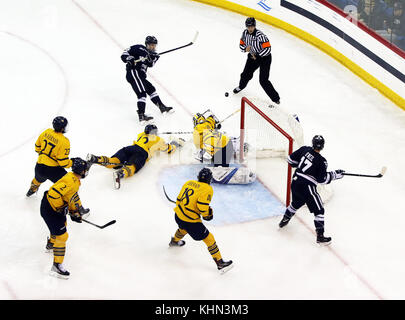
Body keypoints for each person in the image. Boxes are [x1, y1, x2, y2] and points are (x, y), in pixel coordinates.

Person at [278, 135, 345, 245]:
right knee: (319, 210)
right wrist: (335, 175)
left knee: (296, 203)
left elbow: (290, 160)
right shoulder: (322, 161)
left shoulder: (304, 149)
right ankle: (320, 237)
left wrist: (300, 166)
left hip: (295, 182)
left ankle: (284, 221)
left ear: (312, 143)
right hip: (307, 187)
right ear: (322, 146)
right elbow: (322, 179)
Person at [169, 168, 233, 274]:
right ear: (209, 179)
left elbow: (179, 199)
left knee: (183, 228)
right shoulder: (207, 189)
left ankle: (174, 241)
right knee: (209, 239)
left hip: (178, 215)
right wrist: (208, 214)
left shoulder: (188, 183)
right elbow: (202, 208)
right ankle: (220, 263)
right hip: (191, 221)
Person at [87, 124, 184, 189]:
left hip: (131, 148)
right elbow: (169, 149)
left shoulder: (141, 135)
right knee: (132, 166)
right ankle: (121, 173)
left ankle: (96, 159)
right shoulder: (158, 139)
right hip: (142, 153)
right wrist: (176, 143)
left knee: (114, 160)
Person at [40, 157, 90, 279]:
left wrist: (75, 212)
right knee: (62, 236)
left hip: (52, 207)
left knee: (61, 228)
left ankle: (51, 244)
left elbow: (71, 197)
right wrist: (60, 208)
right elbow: (53, 194)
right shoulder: (71, 180)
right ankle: (56, 266)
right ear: (82, 171)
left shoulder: (73, 179)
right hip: (50, 208)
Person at [121, 36, 173, 123]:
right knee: (142, 94)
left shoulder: (155, 55)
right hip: (134, 72)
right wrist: (129, 58)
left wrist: (150, 58)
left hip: (141, 76)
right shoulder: (139, 48)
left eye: (154, 45)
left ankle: (161, 107)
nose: (153, 47)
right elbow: (125, 53)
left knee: (151, 89)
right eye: (151, 45)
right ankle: (141, 115)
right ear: (147, 44)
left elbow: (150, 64)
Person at [233, 17, 280, 105]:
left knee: (263, 80)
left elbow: (268, 49)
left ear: (254, 26)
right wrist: (245, 49)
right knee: (245, 74)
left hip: (265, 58)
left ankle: (275, 99)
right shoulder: (244, 33)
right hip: (252, 56)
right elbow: (241, 45)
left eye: (252, 26)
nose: (250, 28)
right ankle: (241, 86)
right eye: (248, 27)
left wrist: (258, 56)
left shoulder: (260, 36)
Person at [26, 116, 73, 197]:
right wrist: (71, 163)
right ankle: (65, 203)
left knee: (37, 179)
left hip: (39, 167)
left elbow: (37, 146)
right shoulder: (64, 141)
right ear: (62, 128)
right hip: (53, 170)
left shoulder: (46, 132)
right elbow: (63, 163)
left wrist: (44, 156)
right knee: (68, 184)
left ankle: (32, 189)